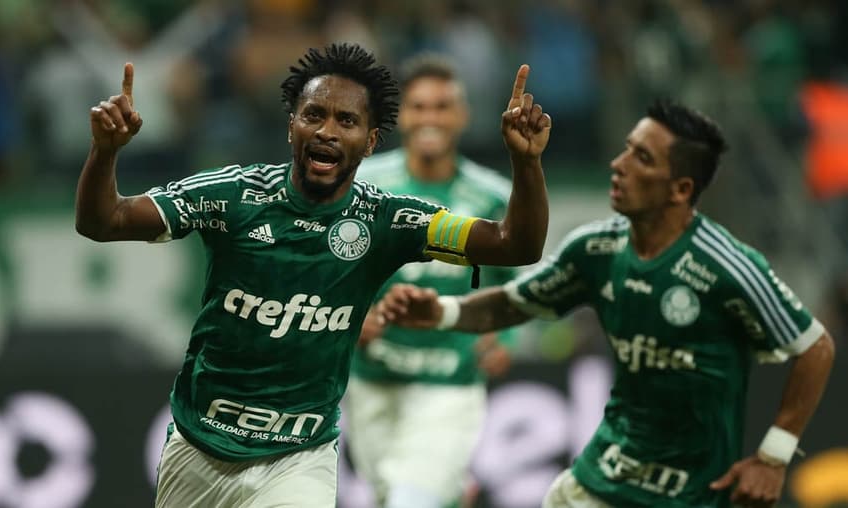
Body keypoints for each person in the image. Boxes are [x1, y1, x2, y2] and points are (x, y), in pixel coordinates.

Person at [74, 42, 551, 507]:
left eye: (346, 121)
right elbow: (103, 221)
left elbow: (515, 245)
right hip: (198, 447)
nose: (326, 131)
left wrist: (526, 163)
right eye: (313, 115)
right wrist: (104, 152)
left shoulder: (391, 219)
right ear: (291, 126)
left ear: (370, 141)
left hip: (299, 457)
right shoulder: (232, 196)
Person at [375, 100, 836, 508]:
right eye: (626, 148)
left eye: (642, 158)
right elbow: (514, 304)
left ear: (680, 189)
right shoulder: (597, 250)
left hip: (693, 492)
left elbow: (815, 348)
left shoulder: (727, 267)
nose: (618, 165)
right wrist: (440, 311)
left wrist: (773, 457)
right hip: (603, 478)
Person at [344, 53, 517, 508]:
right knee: (389, 495)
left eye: (442, 106)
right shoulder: (364, 186)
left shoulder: (492, 196)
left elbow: (522, 282)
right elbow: (332, 271)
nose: (431, 117)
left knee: (409, 501)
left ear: (462, 115)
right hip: (371, 377)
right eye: (420, 106)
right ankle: (456, 493)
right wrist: (348, 320)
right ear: (402, 116)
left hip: (450, 381)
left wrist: (508, 338)